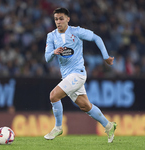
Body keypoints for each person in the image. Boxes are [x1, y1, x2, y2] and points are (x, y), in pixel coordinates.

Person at [44, 7, 117, 143]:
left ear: (67, 19)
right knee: (85, 106)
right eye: (56, 19)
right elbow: (47, 58)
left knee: (53, 95)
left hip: (78, 74)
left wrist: (106, 56)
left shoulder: (76, 31)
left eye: (61, 19)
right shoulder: (51, 36)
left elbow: (97, 38)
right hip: (67, 77)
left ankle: (58, 127)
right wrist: (54, 52)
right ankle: (109, 125)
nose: (58, 22)